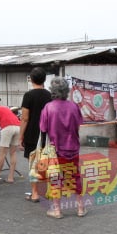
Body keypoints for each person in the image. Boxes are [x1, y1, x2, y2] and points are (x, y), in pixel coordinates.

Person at [40, 77, 85, 219]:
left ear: (52, 91)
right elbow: (78, 124)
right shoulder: (74, 106)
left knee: (55, 179)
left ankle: (57, 210)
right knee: (75, 176)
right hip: (73, 148)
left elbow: (43, 129)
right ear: (67, 91)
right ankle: (80, 208)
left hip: (56, 150)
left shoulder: (48, 107)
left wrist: (42, 150)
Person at [19, 67, 52, 202]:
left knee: (33, 164)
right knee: (47, 163)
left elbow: (25, 118)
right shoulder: (50, 95)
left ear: (31, 79)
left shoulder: (28, 95)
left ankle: (35, 193)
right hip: (47, 134)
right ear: (44, 79)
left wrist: (21, 136)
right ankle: (48, 191)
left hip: (32, 134)